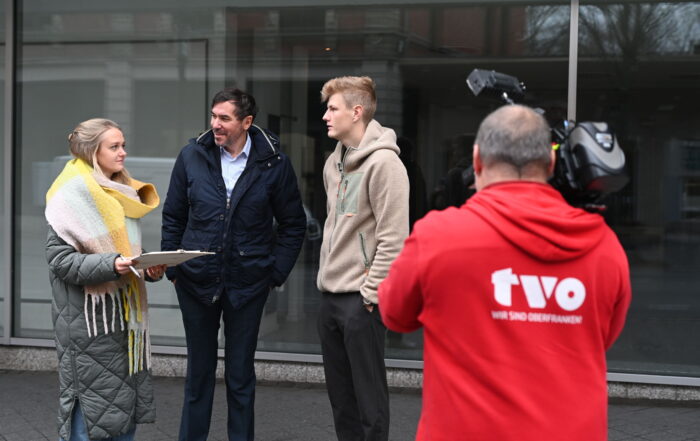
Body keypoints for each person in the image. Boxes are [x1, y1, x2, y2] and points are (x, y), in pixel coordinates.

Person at [378, 104, 632, 441]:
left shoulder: (437, 237)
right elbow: (601, 338)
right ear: (550, 164)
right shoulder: (605, 247)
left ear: (477, 160)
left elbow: (395, 315)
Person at [161, 87, 306, 441]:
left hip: (248, 284)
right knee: (199, 374)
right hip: (195, 282)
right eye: (213, 116)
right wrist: (174, 267)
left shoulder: (274, 163)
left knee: (240, 375)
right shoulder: (192, 156)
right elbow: (174, 215)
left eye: (224, 118)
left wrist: (274, 273)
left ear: (247, 122)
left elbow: (293, 224)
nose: (215, 124)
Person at [45, 118, 166, 441]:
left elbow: (123, 250)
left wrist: (147, 266)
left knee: (120, 409)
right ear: (91, 151)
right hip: (87, 323)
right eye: (114, 146)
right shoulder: (70, 194)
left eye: (123, 145)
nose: (123, 153)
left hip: (121, 318)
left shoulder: (118, 192)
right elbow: (61, 261)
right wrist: (114, 264)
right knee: (91, 412)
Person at [317, 76, 409, 441]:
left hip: (361, 301)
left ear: (356, 113)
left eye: (332, 108)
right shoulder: (332, 163)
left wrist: (370, 294)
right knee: (341, 400)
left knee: (369, 402)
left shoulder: (385, 164)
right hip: (330, 298)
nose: (325, 116)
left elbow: (394, 237)